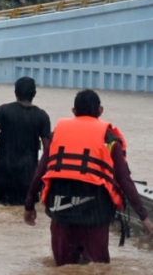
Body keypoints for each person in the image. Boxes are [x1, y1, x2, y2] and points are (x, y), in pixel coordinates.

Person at [24, 89, 153, 266]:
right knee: (97, 268)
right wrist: (144, 216)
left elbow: (39, 173)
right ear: (100, 111)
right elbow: (124, 180)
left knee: (63, 268)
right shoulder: (110, 140)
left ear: (74, 111)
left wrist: (29, 205)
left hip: (62, 214)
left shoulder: (57, 136)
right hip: (96, 216)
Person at [0, 77, 50, 206]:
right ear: (34, 94)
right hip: (28, 174)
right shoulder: (42, 116)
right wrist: (47, 171)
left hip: (4, 172)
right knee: (24, 209)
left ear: (15, 92)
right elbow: (47, 147)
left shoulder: (4, 111)